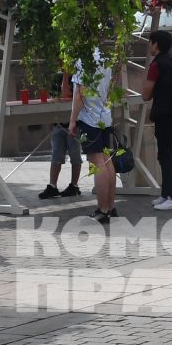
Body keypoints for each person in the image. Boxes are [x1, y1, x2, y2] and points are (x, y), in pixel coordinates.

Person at [141, 30, 172, 211]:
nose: (148, 45)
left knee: (166, 155)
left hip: (164, 115)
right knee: (165, 154)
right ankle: (166, 194)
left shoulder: (157, 65)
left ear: (155, 44)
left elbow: (146, 94)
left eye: (150, 42)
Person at [69, 50, 117, 224]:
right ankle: (110, 207)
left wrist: (72, 120)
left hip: (90, 118)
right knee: (106, 160)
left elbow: (80, 93)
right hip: (104, 116)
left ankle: (102, 210)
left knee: (97, 162)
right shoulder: (106, 57)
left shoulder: (83, 59)